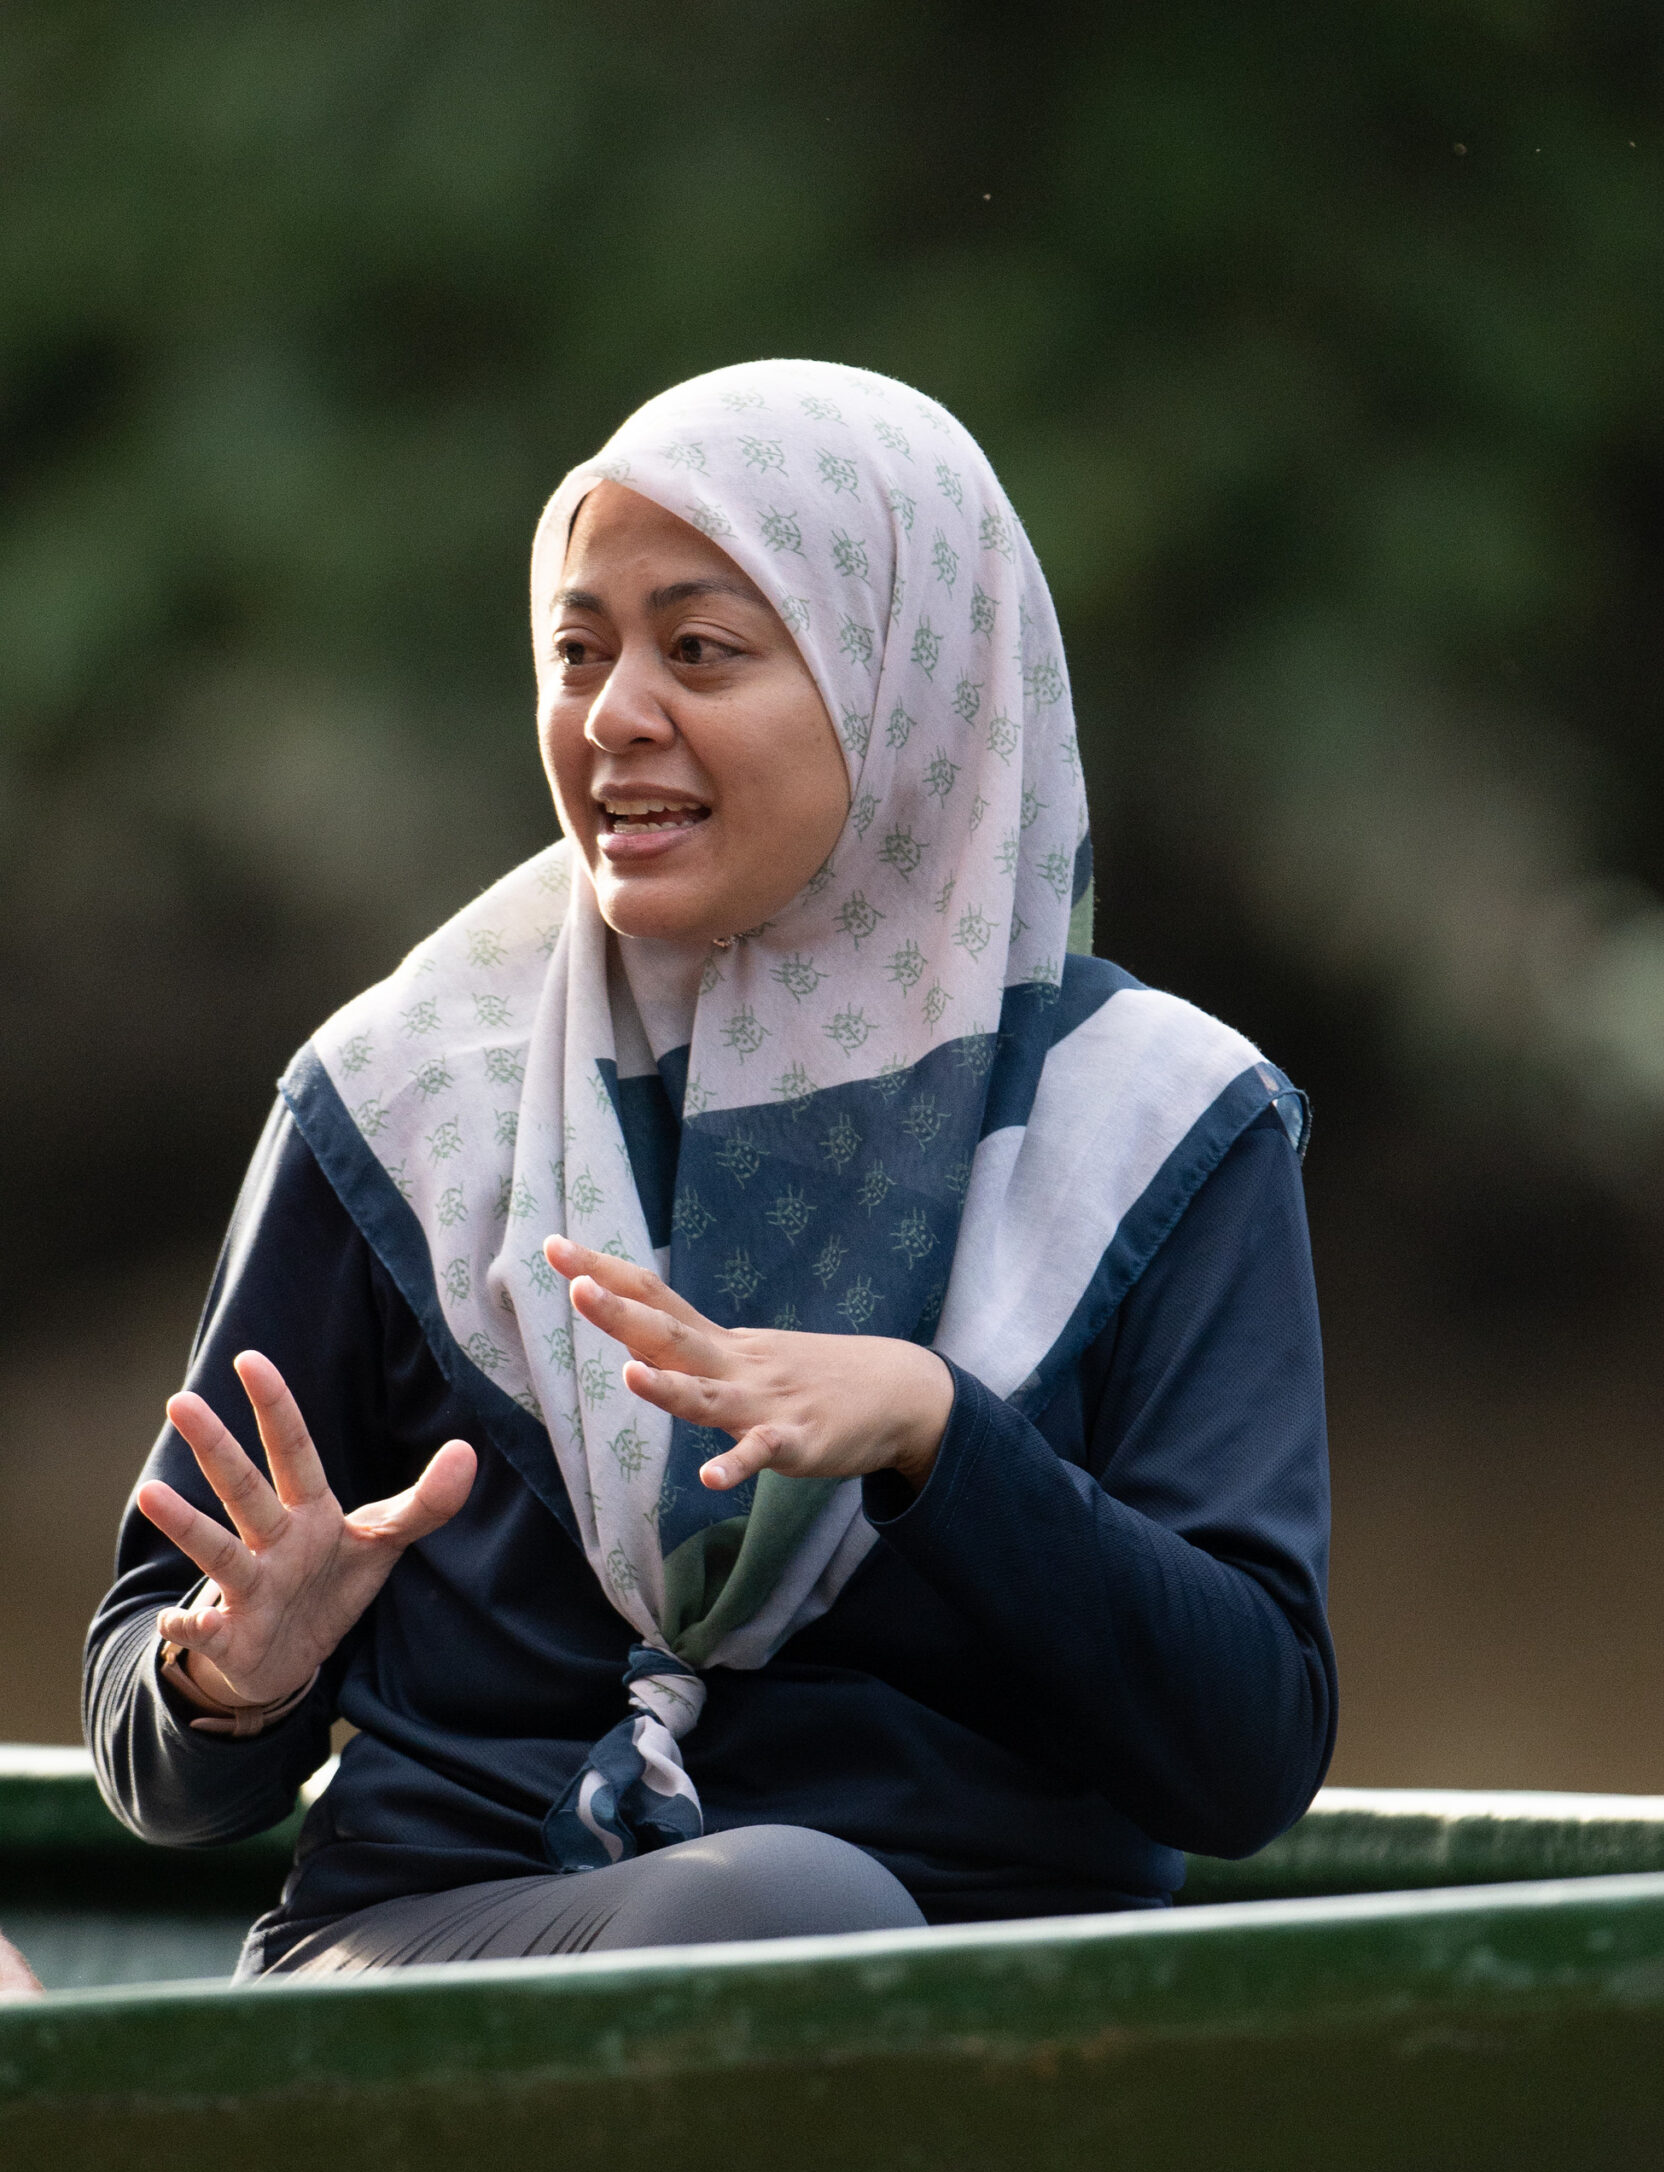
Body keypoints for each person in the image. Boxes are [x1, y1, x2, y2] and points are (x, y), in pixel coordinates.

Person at [84, 360, 1335, 1979]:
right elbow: (157, 1772)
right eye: (577, 650)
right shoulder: (403, 1098)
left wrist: (935, 1434)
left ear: (909, 684)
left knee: (804, 1922)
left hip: (992, 2048)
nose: (612, 715)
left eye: (700, 649)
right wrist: (228, 1680)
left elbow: (1243, 1760)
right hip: (428, 1981)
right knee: (774, 1917)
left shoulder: (1159, 1124)